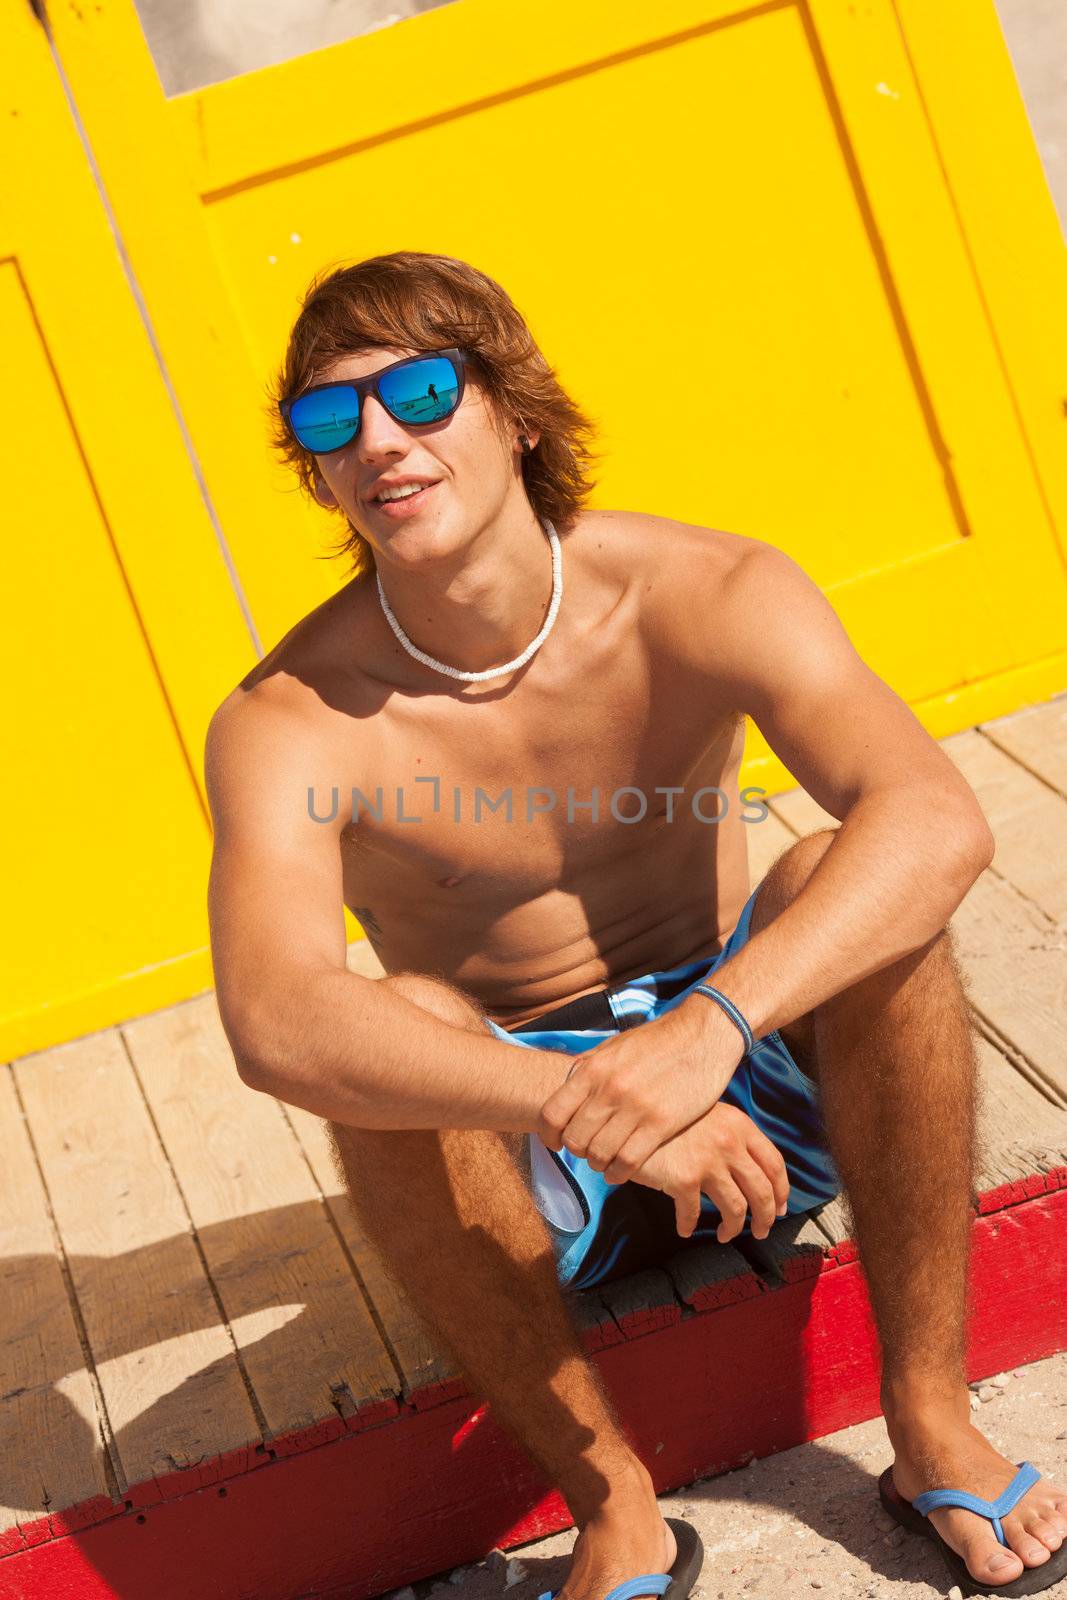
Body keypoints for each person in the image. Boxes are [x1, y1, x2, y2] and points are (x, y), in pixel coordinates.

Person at [205, 250, 1067, 1600]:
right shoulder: (290, 719)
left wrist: (706, 1032)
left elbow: (935, 819)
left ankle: (931, 1417)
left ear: (519, 412)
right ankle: (617, 1503)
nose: (377, 438)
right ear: (313, 472)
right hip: (537, 1163)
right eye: (330, 418)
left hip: (761, 1082)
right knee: (404, 1024)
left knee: (848, 872)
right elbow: (277, 1019)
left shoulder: (702, 590)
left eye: (421, 391)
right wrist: (576, 1094)